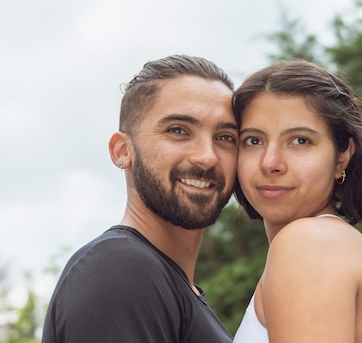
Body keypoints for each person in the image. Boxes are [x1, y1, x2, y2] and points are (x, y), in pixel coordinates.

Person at [42, 55, 238, 343]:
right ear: (122, 150)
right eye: (178, 131)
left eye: (225, 137)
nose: (207, 156)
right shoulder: (120, 268)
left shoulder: (170, 285)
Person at [232, 60, 362, 342]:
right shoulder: (323, 242)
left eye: (300, 141)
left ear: (342, 155)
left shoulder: (311, 243)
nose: (270, 162)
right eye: (253, 140)